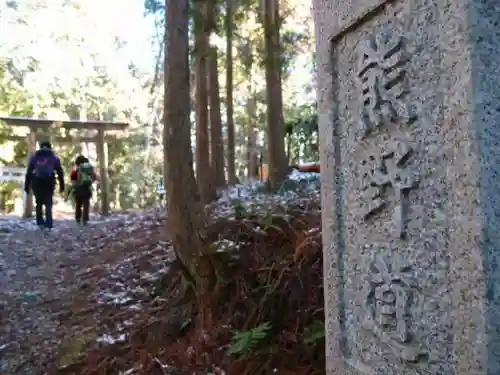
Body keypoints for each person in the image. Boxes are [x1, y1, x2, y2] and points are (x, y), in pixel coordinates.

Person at [24, 141, 65, 230]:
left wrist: (27, 185)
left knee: (39, 203)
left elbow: (29, 172)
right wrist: (62, 186)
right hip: (49, 182)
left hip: (37, 182)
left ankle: (40, 223)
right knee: (48, 202)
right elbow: (60, 172)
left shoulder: (35, 157)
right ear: (50, 147)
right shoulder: (54, 158)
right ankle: (49, 223)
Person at [70, 155, 97, 225]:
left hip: (78, 189)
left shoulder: (76, 170)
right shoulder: (89, 169)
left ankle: (78, 218)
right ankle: (85, 219)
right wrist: (89, 182)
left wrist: (75, 184)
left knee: (78, 204)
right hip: (87, 188)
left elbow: (72, 178)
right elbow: (95, 177)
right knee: (86, 204)